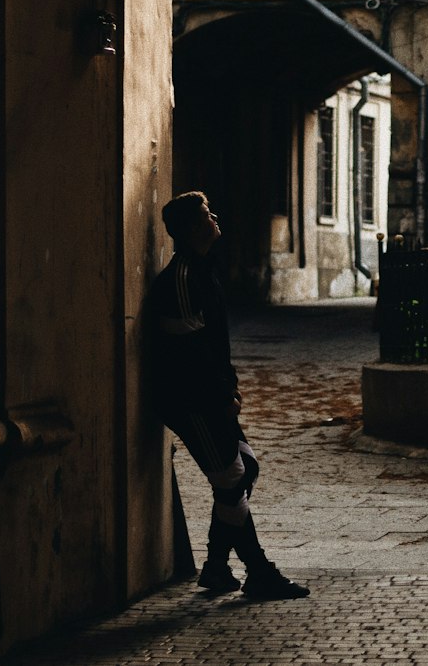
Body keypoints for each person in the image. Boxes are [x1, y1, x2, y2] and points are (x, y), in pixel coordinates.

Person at [146, 190, 309, 600]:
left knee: (245, 468)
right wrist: (220, 396)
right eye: (205, 214)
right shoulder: (182, 278)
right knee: (231, 478)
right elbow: (189, 355)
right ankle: (257, 571)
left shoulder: (204, 270)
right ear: (188, 229)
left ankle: (218, 567)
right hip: (191, 402)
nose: (214, 216)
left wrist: (230, 389)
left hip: (212, 397)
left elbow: (216, 346)